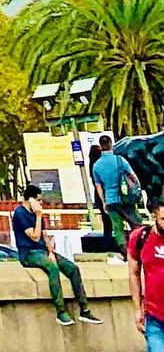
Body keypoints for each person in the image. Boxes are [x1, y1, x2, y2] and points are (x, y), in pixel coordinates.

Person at [10, 185, 101, 328]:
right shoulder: (20, 213)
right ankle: (60, 311)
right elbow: (34, 236)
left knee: (72, 268)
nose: (41, 204)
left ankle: (85, 310)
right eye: (39, 200)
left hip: (43, 251)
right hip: (28, 253)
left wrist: (51, 252)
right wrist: (39, 215)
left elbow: (44, 235)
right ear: (31, 200)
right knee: (53, 269)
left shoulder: (37, 213)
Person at [129, 196, 164, 352]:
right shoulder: (140, 238)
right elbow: (133, 273)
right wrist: (137, 308)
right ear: (154, 216)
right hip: (155, 319)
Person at [93, 137, 146, 252]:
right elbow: (134, 177)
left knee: (118, 228)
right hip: (126, 199)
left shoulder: (96, 165)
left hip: (111, 200)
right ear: (111, 145)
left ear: (101, 146)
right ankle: (140, 249)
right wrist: (138, 191)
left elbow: (99, 186)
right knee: (137, 224)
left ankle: (125, 252)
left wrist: (103, 202)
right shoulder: (120, 160)